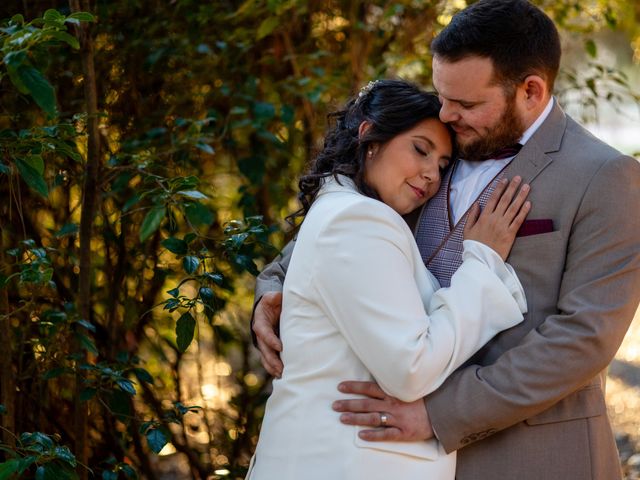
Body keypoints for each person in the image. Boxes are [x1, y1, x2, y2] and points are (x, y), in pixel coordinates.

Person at [252, 1, 640, 479]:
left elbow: (583, 338)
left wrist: (439, 414)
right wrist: (271, 293)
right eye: (442, 96)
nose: (446, 113)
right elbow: (327, 237)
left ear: (531, 91)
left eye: (467, 104)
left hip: (533, 456)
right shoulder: (429, 143)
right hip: (394, 462)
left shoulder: (606, 177)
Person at [246, 79, 532, 480]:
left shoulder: (349, 207)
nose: (432, 174)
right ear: (370, 137)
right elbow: (411, 368)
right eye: (420, 149)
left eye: (443, 166)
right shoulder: (358, 217)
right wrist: (482, 264)